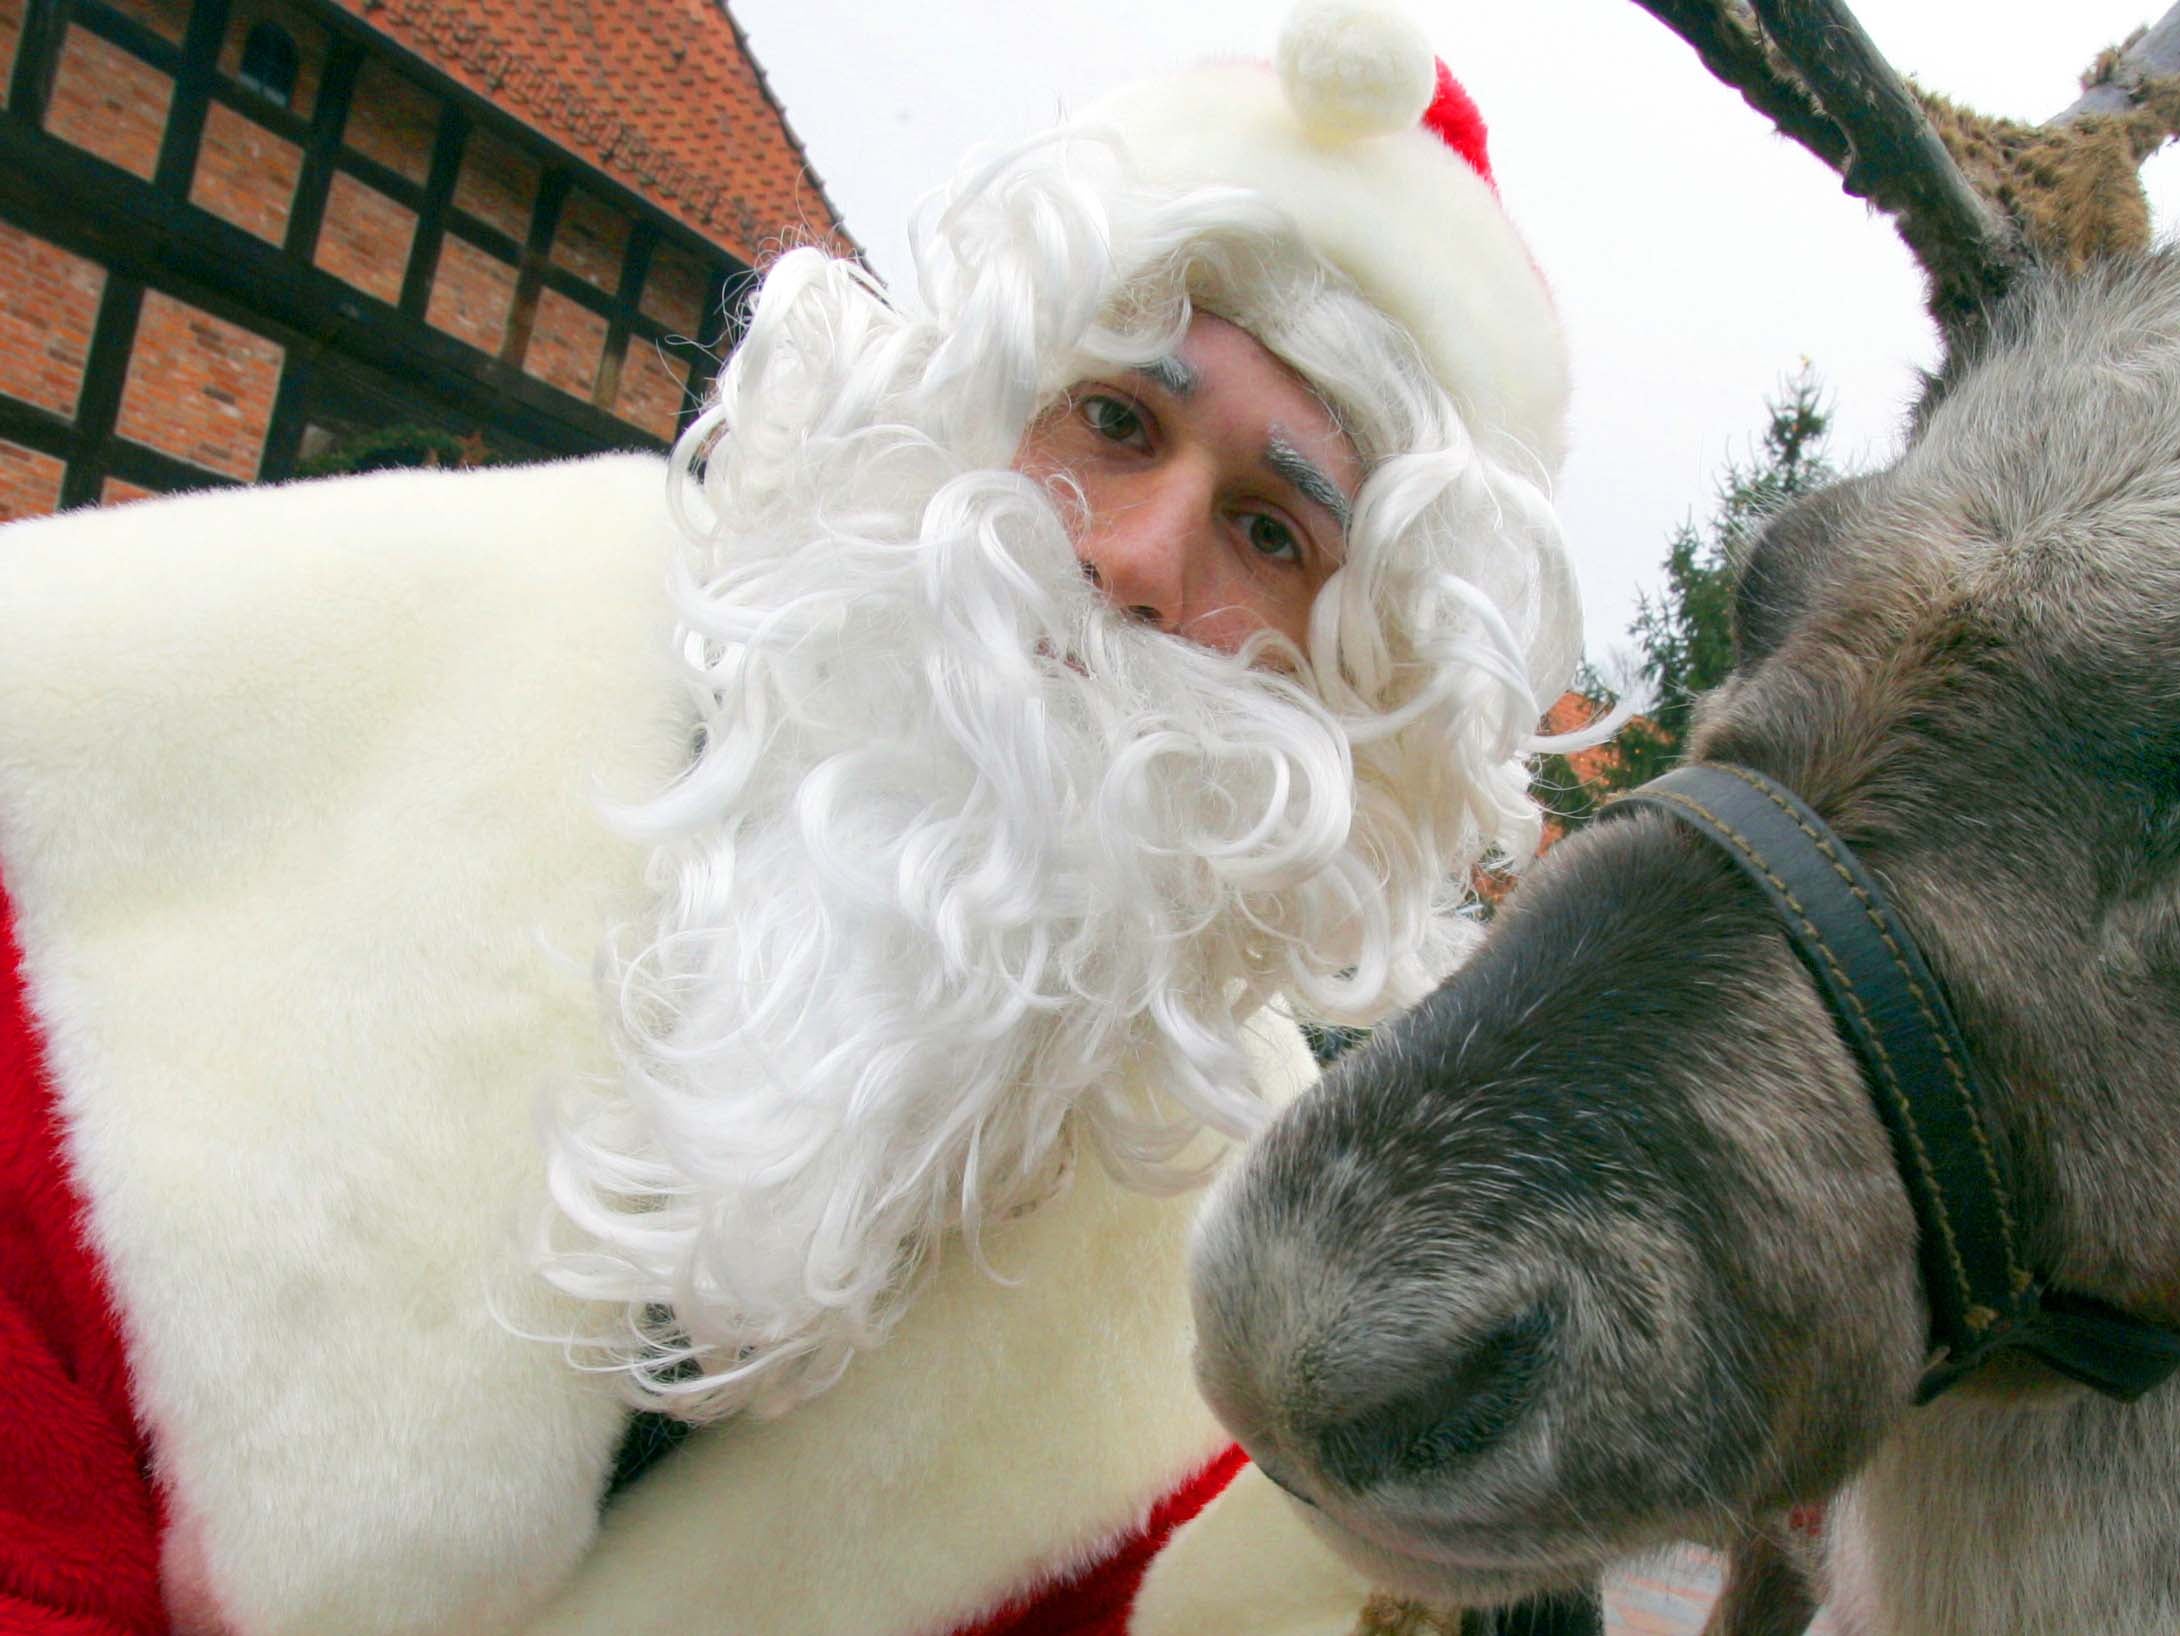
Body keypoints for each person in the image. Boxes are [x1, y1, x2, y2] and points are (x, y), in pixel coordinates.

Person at [0, 3, 1591, 1632]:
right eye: (1114, 421)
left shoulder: (1201, 1295)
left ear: (1349, 682)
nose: (1131, 558)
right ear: (971, 401)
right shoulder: (340, 670)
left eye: (1268, 530)